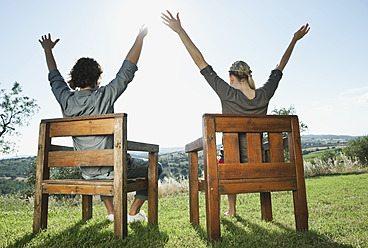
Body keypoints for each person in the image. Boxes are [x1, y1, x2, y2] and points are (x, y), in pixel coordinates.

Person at [162, 10, 310, 217]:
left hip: (231, 168)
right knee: (231, 156)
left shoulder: (227, 93)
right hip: (261, 165)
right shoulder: (265, 94)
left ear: (231, 77)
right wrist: (294, 39)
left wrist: (180, 31)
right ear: (249, 76)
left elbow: (200, 61)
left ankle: (231, 209)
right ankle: (237, 208)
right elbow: (280, 67)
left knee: (226, 157)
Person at [39, 26, 162, 223]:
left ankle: (111, 212)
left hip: (87, 172)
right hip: (112, 170)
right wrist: (140, 37)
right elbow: (127, 71)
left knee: (101, 162)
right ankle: (133, 212)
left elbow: (55, 78)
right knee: (155, 167)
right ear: (98, 77)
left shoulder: (66, 100)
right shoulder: (104, 96)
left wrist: (48, 51)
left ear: (75, 78)